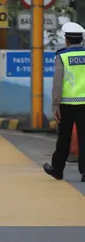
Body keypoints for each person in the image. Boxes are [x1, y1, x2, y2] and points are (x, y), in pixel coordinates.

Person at [45, 21, 85, 181]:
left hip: (67, 105)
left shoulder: (62, 56)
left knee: (64, 137)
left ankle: (57, 169)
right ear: (81, 39)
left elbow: (57, 83)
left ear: (67, 40)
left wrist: (55, 105)